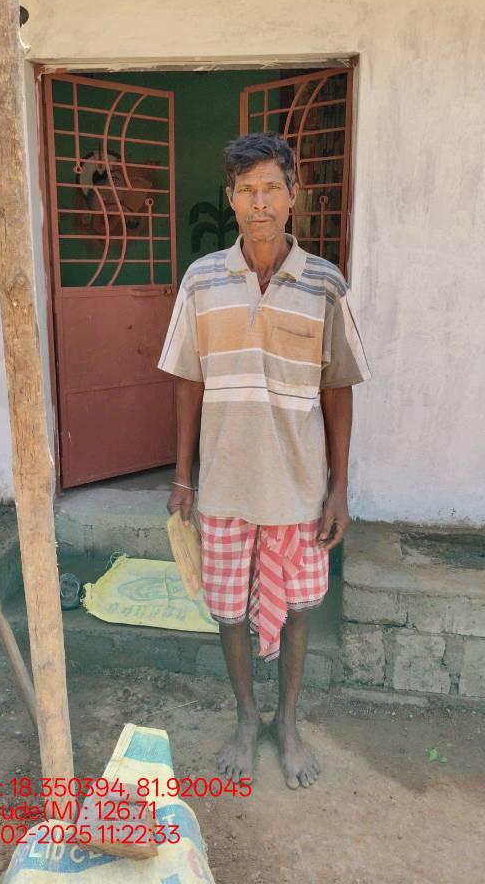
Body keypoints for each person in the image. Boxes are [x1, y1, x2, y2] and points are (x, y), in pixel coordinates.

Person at [158, 133, 370, 789]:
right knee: (228, 610)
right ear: (231, 199)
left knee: (298, 608)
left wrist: (338, 489)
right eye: (247, 190)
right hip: (225, 484)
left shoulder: (325, 284)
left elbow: (338, 389)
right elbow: (187, 380)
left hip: (298, 488)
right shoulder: (201, 280)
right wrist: (183, 475)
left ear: (292, 195)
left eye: (271, 188)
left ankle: (288, 720)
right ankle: (247, 717)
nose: (259, 203)